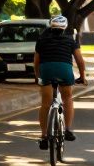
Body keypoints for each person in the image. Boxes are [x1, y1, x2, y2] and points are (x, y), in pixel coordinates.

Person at [34, 15, 88, 149]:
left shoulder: (41, 40)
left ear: (50, 27)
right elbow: (80, 61)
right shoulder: (70, 40)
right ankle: (68, 129)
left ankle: (44, 136)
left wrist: (38, 77)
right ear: (64, 28)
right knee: (68, 99)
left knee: (45, 104)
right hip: (64, 70)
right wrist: (82, 76)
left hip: (46, 70)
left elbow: (36, 62)